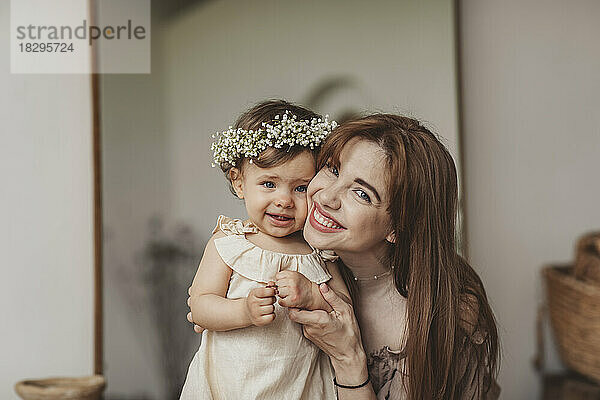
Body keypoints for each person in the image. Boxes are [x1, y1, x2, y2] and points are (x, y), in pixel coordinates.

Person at [189, 112, 501, 399]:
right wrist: (225, 306)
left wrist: (348, 360)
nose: (325, 196)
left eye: (362, 193)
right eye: (332, 169)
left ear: (399, 227)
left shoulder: (449, 312)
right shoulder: (295, 257)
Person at [180, 100, 352, 400]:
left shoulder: (318, 250)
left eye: (301, 188)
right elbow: (201, 306)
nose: (284, 200)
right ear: (239, 182)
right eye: (269, 184)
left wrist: (313, 294)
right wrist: (242, 310)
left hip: (298, 388)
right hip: (230, 386)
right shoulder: (231, 242)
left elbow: (345, 308)